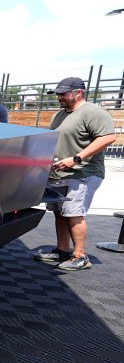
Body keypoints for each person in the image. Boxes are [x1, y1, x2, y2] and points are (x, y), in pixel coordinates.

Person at [32, 77, 116, 271]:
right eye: (58, 94)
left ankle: (80, 256)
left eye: (63, 93)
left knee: (74, 214)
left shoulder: (93, 112)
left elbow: (108, 137)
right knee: (60, 213)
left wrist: (76, 159)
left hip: (83, 173)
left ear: (78, 92)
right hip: (58, 174)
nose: (59, 97)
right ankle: (63, 250)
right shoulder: (60, 115)